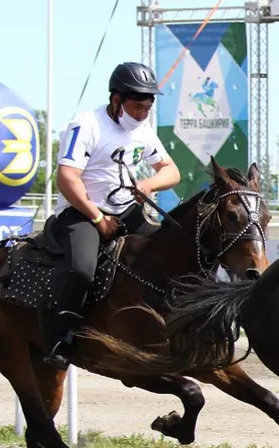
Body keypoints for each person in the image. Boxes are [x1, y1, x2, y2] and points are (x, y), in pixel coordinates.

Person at [42, 61, 181, 369]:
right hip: (81, 213)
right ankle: (60, 338)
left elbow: (172, 171)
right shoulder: (86, 125)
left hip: (126, 211)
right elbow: (67, 178)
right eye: (137, 107)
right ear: (116, 99)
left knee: (170, 252)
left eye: (147, 108)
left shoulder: (143, 131)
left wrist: (148, 183)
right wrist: (97, 219)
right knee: (82, 270)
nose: (142, 114)